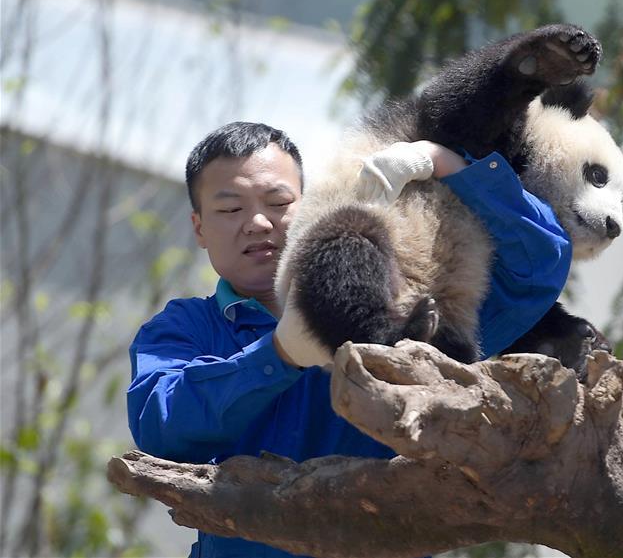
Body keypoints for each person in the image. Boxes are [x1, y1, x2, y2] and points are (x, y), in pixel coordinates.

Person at [127, 121, 571, 558]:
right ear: (199, 227)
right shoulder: (181, 329)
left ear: (310, 204)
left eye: (278, 201)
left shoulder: (409, 298)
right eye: (229, 209)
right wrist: (278, 354)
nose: (258, 222)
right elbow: (161, 428)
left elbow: (537, 269)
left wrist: (447, 164)